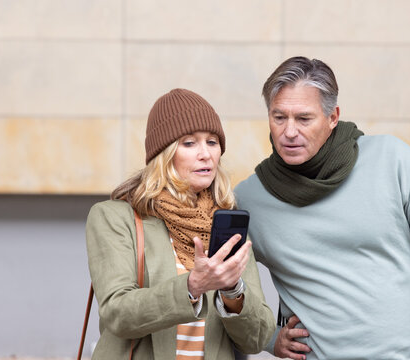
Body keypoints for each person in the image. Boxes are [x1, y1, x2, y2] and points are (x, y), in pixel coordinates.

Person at [234, 56, 410, 360]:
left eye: (304, 119)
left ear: (333, 117)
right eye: (279, 117)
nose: (289, 132)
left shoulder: (393, 160)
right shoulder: (250, 199)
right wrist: (269, 337)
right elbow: (222, 285)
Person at [86, 88, 275, 360]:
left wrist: (233, 291)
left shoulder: (227, 224)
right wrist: (192, 286)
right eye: (189, 143)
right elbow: (118, 314)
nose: (206, 154)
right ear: (164, 154)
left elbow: (256, 339)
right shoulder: (115, 217)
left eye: (212, 142)